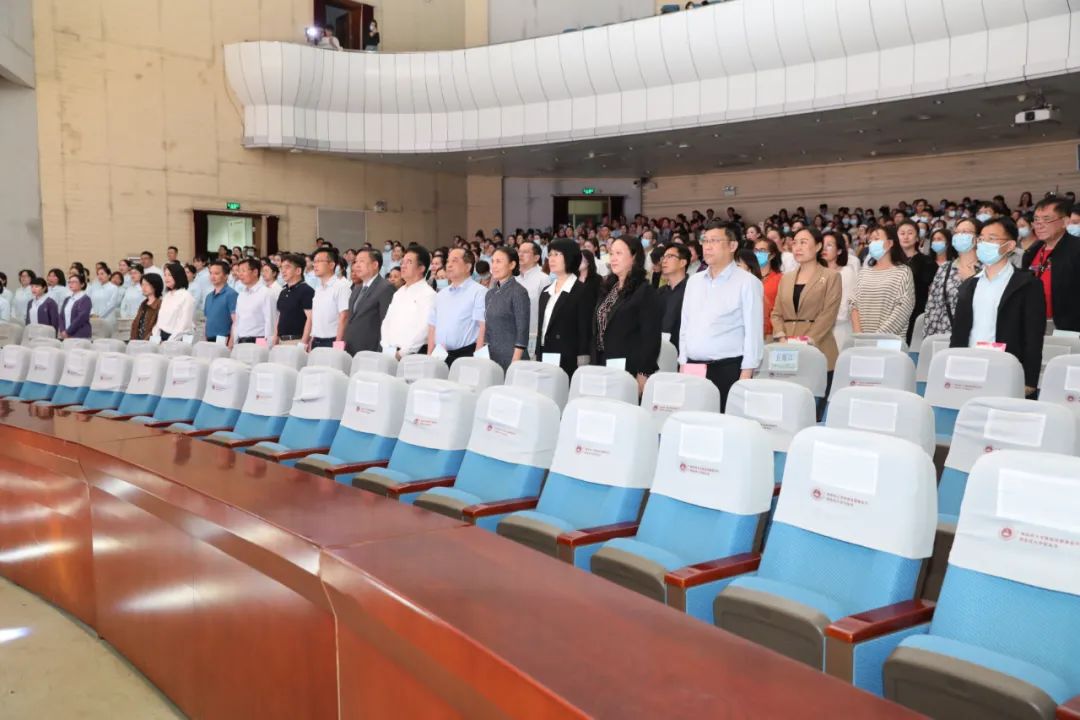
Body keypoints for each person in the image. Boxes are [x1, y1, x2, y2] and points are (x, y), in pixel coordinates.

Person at [951, 217, 1045, 396]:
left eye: (992, 238)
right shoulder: (969, 285)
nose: (984, 243)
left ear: (1010, 246)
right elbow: (958, 333)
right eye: (981, 239)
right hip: (969, 366)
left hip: (1006, 367)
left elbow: (1033, 336)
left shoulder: (1027, 284)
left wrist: (1029, 380)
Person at [679, 221, 763, 411]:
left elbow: (753, 333)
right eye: (705, 241)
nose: (707, 246)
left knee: (723, 424)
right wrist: (683, 362)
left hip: (727, 369)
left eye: (714, 241)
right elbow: (685, 326)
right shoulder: (694, 281)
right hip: (693, 368)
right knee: (694, 420)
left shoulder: (748, 282)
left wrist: (745, 375)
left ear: (732, 246)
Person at [592, 236, 661, 395]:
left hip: (628, 367)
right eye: (611, 253)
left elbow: (651, 337)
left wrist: (643, 373)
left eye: (619, 253)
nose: (613, 258)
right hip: (602, 363)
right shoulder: (609, 287)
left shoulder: (644, 291)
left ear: (634, 257)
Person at [770, 228, 842, 380]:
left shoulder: (831, 276)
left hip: (819, 348)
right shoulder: (786, 278)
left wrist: (807, 340)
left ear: (818, 246)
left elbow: (828, 315)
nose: (797, 247)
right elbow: (776, 313)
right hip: (786, 352)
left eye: (803, 242)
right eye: (795, 243)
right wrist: (781, 337)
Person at [537, 239, 591, 379]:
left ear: (569, 256)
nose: (551, 259)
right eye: (550, 255)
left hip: (569, 357)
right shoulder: (545, 292)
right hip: (545, 354)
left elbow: (584, 328)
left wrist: (583, 358)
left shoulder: (581, 290)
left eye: (557, 254)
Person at [1024, 197, 1080, 332]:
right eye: (1036, 220)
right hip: (1034, 324)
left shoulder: (1076, 249)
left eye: (1047, 219)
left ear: (1065, 222)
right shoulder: (1031, 251)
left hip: (1069, 328)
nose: (1039, 225)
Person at [851, 226, 915, 337]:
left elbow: (903, 309)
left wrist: (876, 338)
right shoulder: (864, 272)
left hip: (889, 340)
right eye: (870, 241)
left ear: (890, 243)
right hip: (862, 340)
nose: (872, 243)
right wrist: (859, 334)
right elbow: (853, 303)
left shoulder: (903, 272)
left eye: (876, 239)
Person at [427, 247, 486, 365]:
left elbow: (483, 327)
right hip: (439, 355)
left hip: (465, 356)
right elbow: (432, 326)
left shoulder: (479, 292)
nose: (449, 265)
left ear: (468, 267)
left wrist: (477, 361)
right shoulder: (441, 294)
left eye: (454, 261)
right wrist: (429, 357)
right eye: (448, 261)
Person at [923, 225, 980, 338]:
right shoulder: (945, 268)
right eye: (957, 232)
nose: (960, 235)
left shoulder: (986, 269)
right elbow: (932, 307)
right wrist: (929, 338)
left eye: (965, 231)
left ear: (978, 238)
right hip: (944, 334)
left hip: (974, 336)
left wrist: (971, 280)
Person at [381, 245, 437, 358]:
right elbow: (387, 322)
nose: (403, 265)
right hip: (390, 352)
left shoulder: (428, 294)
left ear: (421, 268)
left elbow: (424, 328)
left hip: (413, 354)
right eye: (403, 262)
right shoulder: (398, 293)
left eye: (409, 262)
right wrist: (386, 347)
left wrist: (402, 353)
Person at [482, 247, 530, 371]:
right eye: (493, 261)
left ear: (512, 265)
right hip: (492, 357)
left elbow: (522, 331)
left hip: (513, 358)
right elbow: (488, 328)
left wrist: (515, 363)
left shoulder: (519, 292)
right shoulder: (490, 294)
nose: (494, 266)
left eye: (499, 261)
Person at [343, 249, 394, 354]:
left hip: (370, 350)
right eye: (356, 262)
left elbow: (387, 323)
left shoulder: (385, 288)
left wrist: (380, 351)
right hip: (350, 348)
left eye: (361, 261)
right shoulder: (357, 288)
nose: (356, 265)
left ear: (375, 265)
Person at [897, 219, 937, 344]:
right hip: (893, 315)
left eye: (910, 233)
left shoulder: (927, 262)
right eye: (902, 233)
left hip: (917, 314)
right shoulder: (891, 261)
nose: (906, 237)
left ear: (917, 238)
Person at [309, 247, 350, 349]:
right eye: (314, 262)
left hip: (332, 341)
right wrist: (312, 339)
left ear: (331, 265)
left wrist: (338, 345)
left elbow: (344, 317)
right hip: (316, 340)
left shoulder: (341, 286)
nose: (315, 265)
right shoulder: (318, 289)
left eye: (319, 261)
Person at [822, 231, 857, 349]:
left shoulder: (846, 272)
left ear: (839, 251)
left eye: (829, 245)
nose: (824, 248)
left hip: (839, 328)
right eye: (822, 244)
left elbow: (847, 307)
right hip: (819, 329)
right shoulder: (816, 272)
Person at [515, 240, 549, 358]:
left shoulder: (543, 279)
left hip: (533, 336)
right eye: (519, 251)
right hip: (513, 335)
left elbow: (546, 311)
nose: (520, 254)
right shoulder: (514, 278)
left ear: (536, 257)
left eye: (525, 252)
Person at [230, 258, 274, 345]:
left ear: (255, 272)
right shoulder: (241, 295)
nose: (240, 274)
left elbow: (269, 322)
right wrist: (234, 342)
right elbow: (237, 321)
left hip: (258, 340)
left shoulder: (266, 293)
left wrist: (265, 346)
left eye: (243, 271)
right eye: (239, 271)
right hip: (241, 341)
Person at [151, 263, 195, 341]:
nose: (166, 278)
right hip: (161, 337)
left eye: (170, 275)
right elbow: (160, 321)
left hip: (176, 339)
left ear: (178, 276)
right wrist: (156, 338)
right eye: (165, 275)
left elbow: (184, 326)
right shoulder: (167, 296)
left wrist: (169, 342)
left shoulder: (186, 296)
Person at [658, 243, 689, 350]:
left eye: (670, 256)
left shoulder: (692, 290)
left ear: (682, 262)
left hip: (684, 351)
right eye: (664, 257)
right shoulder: (659, 293)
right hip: (661, 350)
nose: (664, 261)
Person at [754, 238, 782, 339]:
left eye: (762, 250)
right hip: (751, 331)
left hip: (771, 333)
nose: (758, 254)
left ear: (772, 255)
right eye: (756, 250)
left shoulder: (780, 279)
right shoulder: (748, 278)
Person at [204, 261, 238, 344]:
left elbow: (236, 321)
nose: (212, 276)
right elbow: (207, 320)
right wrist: (205, 338)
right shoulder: (208, 296)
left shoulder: (231, 294)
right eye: (211, 273)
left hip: (224, 338)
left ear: (226, 276)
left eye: (216, 273)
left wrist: (231, 342)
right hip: (209, 339)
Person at [88, 265, 121, 338]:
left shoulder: (113, 288)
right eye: (98, 274)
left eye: (102, 274)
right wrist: (92, 313)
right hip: (94, 319)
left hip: (108, 319)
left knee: (107, 341)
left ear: (109, 275)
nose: (100, 276)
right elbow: (90, 302)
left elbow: (111, 305)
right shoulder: (94, 288)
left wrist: (99, 316)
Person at [130, 273, 163, 342]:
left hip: (151, 343)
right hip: (138, 343)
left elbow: (158, 327)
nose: (143, 287)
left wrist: (145, 342)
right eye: (142, 284)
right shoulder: (143, 304)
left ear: (155, 285)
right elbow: (135, 325)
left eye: (147, 284)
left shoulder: (161, 305)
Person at [59, 274, 92, 339]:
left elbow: (81, 318)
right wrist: (62, 330)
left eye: (74, 282)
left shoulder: (85, 299)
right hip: (65, 334)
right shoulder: (67, 299)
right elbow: (61, 316)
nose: (71, 284)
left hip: (80, 334)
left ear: (82, 284)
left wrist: (68, 332)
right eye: (69, 282)